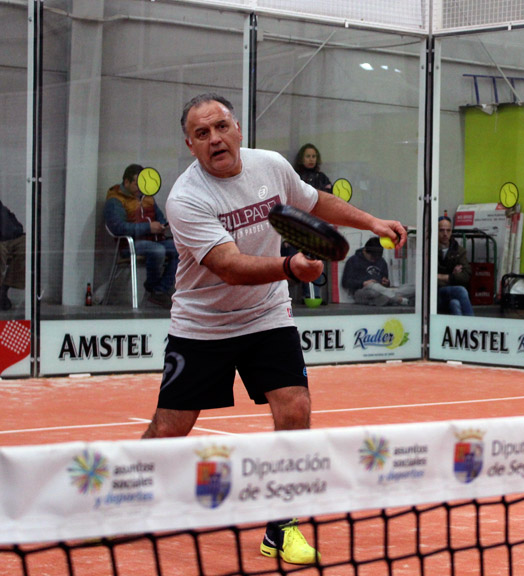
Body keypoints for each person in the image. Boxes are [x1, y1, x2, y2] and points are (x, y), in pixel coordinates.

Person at [142, 93, 406, 566]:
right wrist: (290, 266)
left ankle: (281, 526)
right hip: (203, 323)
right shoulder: (185, 198)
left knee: (295, 406)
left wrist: (371, 222)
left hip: (266, 315)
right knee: (170, 427)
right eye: (202, 134)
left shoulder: (271, 166)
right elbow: (229, 266)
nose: (215, 139)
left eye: (221, 126)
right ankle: (129, 497)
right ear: (190, 145)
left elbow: (314, 200)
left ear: (238, 129)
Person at [103, 164, 179, 309]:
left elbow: (159, 217)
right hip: (130, 244)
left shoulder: (148, 196)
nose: (141, 187)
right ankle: (153, 289)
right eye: (137, 183)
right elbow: (118, 228)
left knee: (181, 249)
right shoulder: (115, 200)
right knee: (157, 251)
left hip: (155, 239)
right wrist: (148, 227)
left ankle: (160, 291)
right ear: (126, 182)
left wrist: (164, 224)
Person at [284, 144, 332, 302]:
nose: (311, 159)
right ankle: (283, 300)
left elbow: (329, 202)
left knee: (313, 263)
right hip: (294, 229)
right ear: (301, 159)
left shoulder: (323, 178)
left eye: (313, 156)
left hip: (315, 230)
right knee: (289, 263)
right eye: (308, 156)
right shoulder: (294, 177)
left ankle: (313, 298)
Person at [341, 237, 414, 306]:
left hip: (381, 292)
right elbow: (346, 282)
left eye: (377, 257)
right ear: (364, 251)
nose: (374, 259)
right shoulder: (353, 261)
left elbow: (385, 283)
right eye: (372, 257)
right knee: (373, 288)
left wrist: (386, 282)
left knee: (412, 287)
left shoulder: (382, 262)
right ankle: (401, 300)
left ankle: (389, 300)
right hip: (363, 291)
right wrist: (363, 283)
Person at [437, 215, 473, 315]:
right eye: (441, 230)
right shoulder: (430, 250)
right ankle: (474, 325)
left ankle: (464, 329)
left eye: (448, 230)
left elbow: (466, 276)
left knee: (455, 303)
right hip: (436, 294)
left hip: (451, 292)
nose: (445, 234)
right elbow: (428, 278)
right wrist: (452, 277)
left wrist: (441, 276)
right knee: (461, 291)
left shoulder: (458, 250)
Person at [0, 201, 25, 311]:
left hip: (11, 237)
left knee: (28, 247)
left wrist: (16, 230)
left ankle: (3, 289)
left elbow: (11, 221)